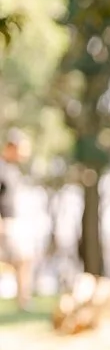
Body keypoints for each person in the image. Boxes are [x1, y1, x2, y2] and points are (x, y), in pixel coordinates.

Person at [0, 132, 34, 309]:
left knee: (24, 259)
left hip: (13, 221)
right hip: (5, 222)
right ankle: (23, 301)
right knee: (22, 258)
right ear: (11, 147)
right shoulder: (1, 168)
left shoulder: (12, 169)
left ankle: (23, 300)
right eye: (22, 149)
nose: (25, 154)